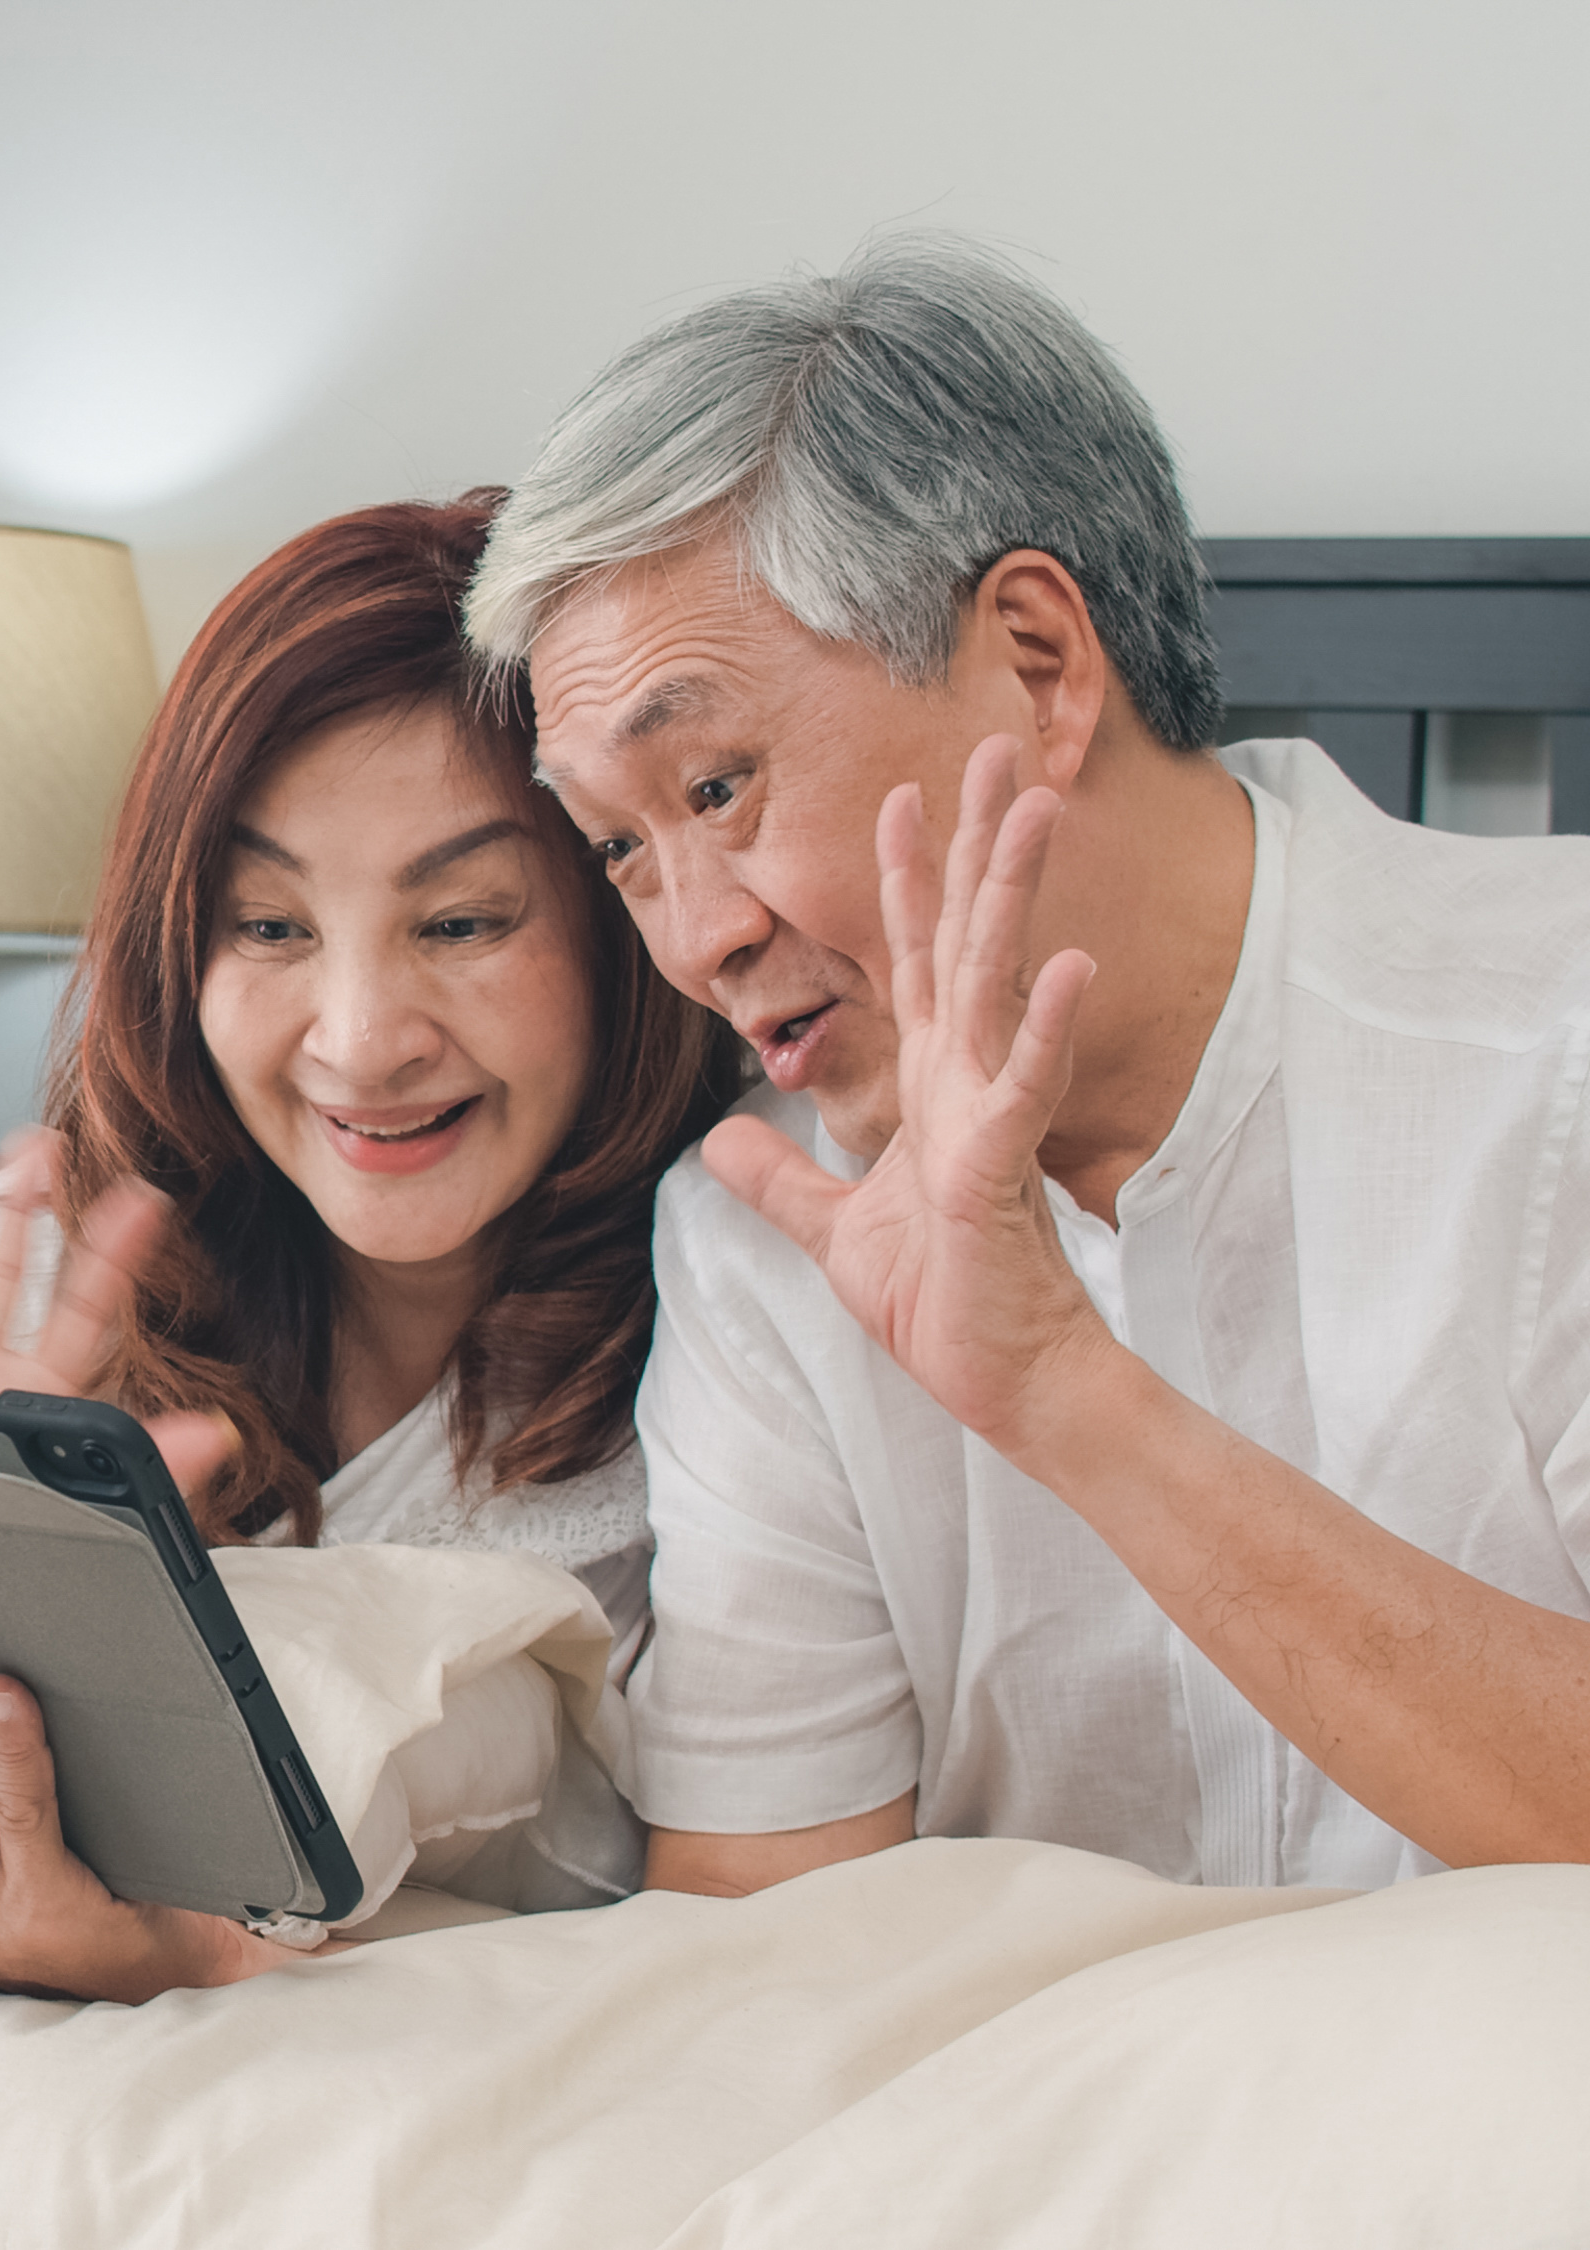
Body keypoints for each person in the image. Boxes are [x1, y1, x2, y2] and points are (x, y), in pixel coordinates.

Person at [459, 232, 1590, 1900]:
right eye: (620, 846)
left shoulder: (1554, 1050)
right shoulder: (767, 1234)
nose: (696, 937)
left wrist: (1067, 1392)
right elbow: (764, 1960)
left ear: (1042, 666)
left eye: (715, 788)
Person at [0, 495, 737, 2003]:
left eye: (461, 921)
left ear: (613, 921)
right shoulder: (35, 1287)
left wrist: (162, 1945)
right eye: (267, 925)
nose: (363, 1039)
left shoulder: (738, 1357)